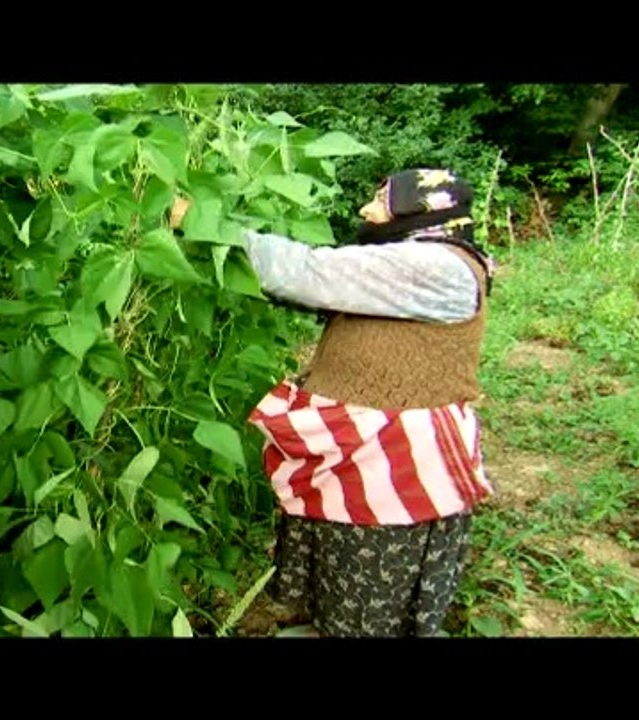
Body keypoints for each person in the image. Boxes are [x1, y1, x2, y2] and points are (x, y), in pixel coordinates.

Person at [171, 168, 496, 637]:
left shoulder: (439, 266)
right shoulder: (418, 262)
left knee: (370, 597)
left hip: (396, 471)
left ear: (424, 210)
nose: (367, 210)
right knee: (337, 575)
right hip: (365, 456)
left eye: (382, 201)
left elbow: (311, 272)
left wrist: (195, 219)